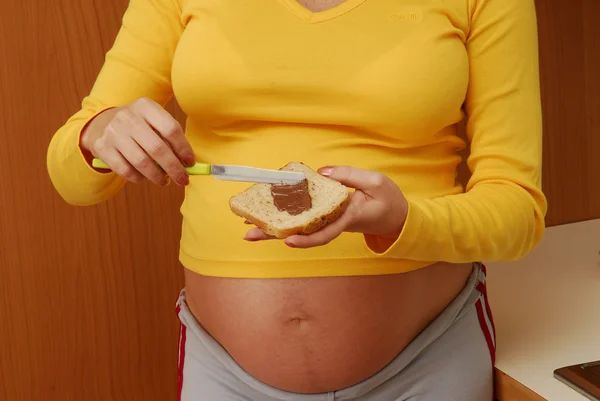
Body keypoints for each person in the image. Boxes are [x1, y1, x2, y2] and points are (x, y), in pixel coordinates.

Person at [46, 0, 546, 399]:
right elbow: (74, 180)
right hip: (223, 372)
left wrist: (404, 221)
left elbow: (518, 210)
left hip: (427, 366)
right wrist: (98, 132)